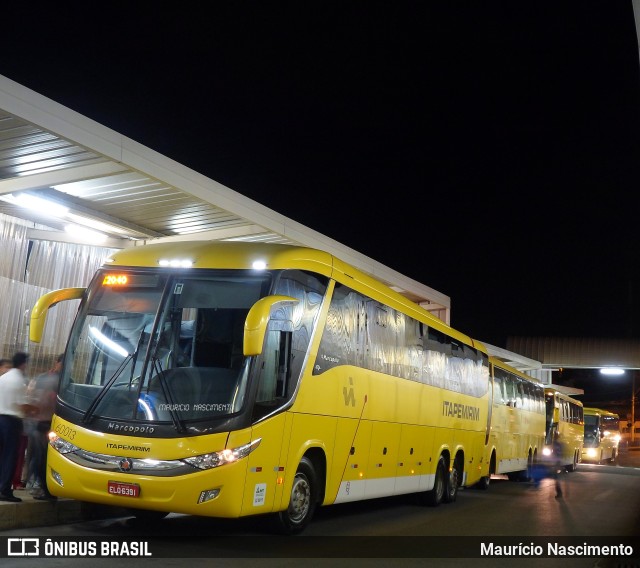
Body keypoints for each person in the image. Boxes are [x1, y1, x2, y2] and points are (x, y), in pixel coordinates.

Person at [26, 353, 62, 500]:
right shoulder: (44, 379)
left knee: (44, 457)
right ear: (56, 362)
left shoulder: (65, 381)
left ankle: (45, 488)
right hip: (41, 423)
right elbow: (36, 398)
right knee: (38, 456)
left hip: (51, 425)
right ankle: (38, 485)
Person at [0, 352, 32, 502]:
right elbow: (21, 405)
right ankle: (5, 490)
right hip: (12, 422)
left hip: (0, 419)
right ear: (23, 364)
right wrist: (34, 409)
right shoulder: (18, 380)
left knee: (1, 455)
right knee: (10, 456)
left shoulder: (3, 378)